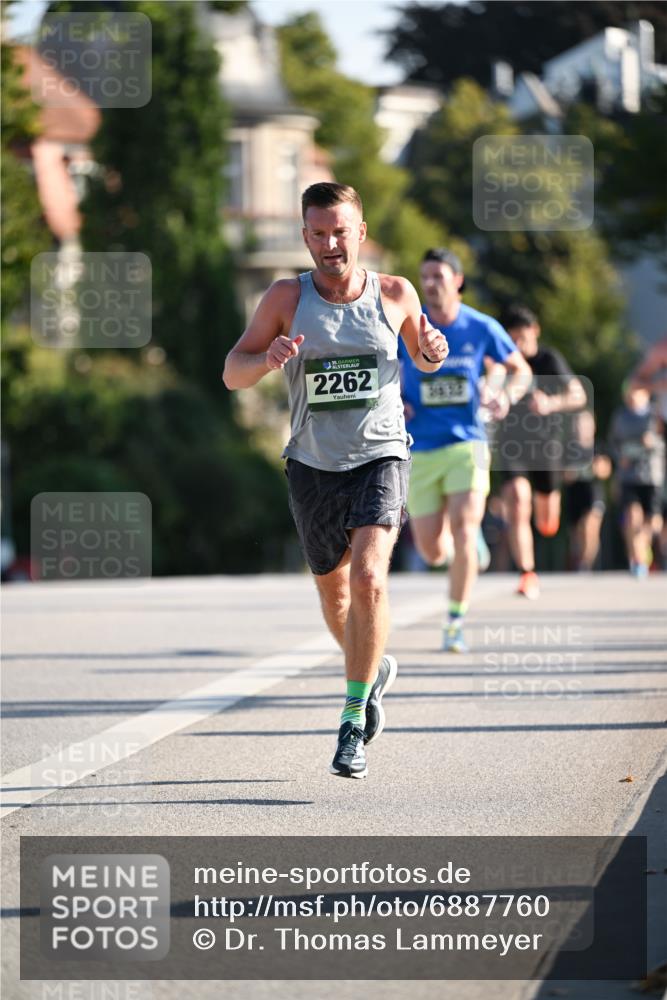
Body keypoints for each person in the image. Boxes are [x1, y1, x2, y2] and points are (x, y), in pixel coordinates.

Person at [223, 182, 449, 779]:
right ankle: (372, 669)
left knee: (371, 576)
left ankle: (352, 720)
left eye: (340, 232)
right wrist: (265, 360)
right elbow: (231, 372)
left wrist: (432, 347)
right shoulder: (284, 298)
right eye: (318, 234)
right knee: (336, 592)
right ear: (305, 238)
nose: (330, 244)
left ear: (361, 233)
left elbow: (425, 354)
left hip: (381, 455)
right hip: (312, 465)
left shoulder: (395, 293)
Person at [399, 248, 530, 653]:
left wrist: (505, 396)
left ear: (457, 279)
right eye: (425, 277)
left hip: (468, 442)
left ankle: (454, 620)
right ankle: (465, 548)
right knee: (432, 548)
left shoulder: (480, 326)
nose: (430, 284)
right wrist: (395, 401)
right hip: (420, 447)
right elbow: (385, 370)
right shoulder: (408, 326)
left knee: (465, 524)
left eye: (438, 275)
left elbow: (520, 370)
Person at [497, 305, 586, 599]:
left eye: (522, 337)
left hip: (546, 446)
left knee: (547, 521)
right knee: (518, 501)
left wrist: (550, 403)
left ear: (534, 331)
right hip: (512, 444)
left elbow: (578, 395)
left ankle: (547, 518)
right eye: (512, 339)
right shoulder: (502, 361)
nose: (518, 345)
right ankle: (527, 572)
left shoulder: (549, 359)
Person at [610, 382, 665, 578]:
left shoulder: (656, 414)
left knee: (654, 522)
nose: (632, 396)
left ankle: (641, 546)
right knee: (632, 517)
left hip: (652, 475)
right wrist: (620, 457)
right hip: (629, 476)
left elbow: (662, 440)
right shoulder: (620, 416)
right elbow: (613, 443)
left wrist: (654, 443)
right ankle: (638, 560)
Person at [563, 410, 612, 571]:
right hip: (575, 493)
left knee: (590, 527)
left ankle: (586, 564)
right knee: (577, 534)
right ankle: (579, 561)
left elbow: (607, 469)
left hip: (593, 493)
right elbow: (562, 475)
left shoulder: (599, 447)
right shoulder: (568, 449)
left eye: (586, 424)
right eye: (579, 424)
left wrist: (597, 468)